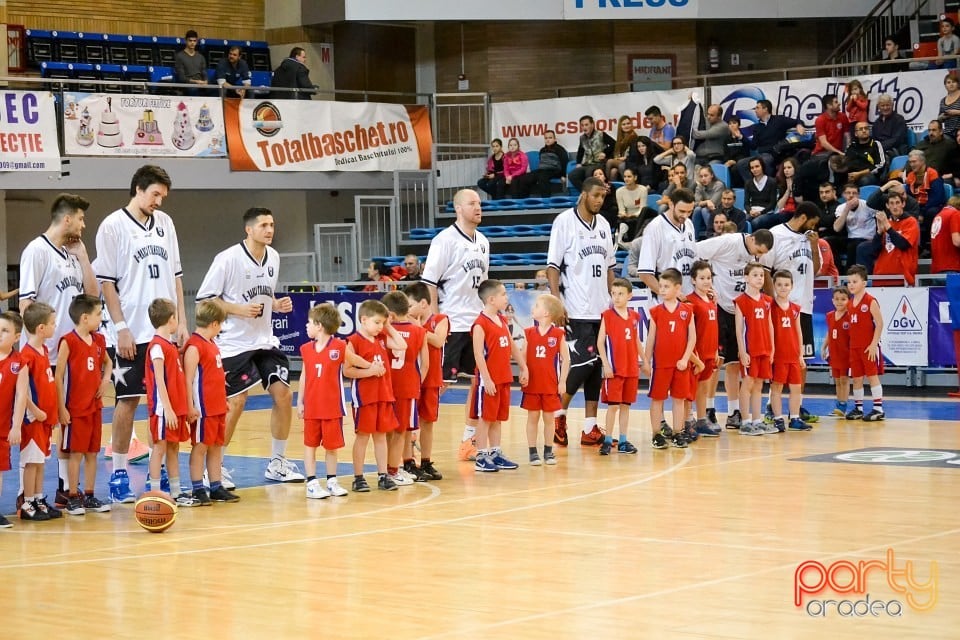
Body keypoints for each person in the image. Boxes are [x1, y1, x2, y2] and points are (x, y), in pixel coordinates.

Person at [94, 164, 186, 504]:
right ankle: (119, 471)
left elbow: (176, 275)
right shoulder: (112, 226)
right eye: (155, 194)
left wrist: (183, 322)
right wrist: (120, 329)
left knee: (164, 404)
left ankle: (159, 469)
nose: (159, 202)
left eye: (163, 196)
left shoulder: (166, 224)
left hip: (165, 331)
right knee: (127, 401)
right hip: (131, 330)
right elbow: (106, 283)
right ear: (138, 189)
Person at [195, 207, 299, 487]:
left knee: (284, 394)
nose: (269, 230)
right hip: (233, 343)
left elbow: (264, 294)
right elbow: (205, 300)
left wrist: (275, 304)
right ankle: (214, 468)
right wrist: (237, 309)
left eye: (272, 225)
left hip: (263, 340)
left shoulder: (274, 257)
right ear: (249, 229)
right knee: (237, 402)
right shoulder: (227, 259)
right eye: (264, 225)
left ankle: (277, 462)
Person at [18, 192, 104, 506]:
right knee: (36, 426)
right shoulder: (36, 251)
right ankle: (26, 496)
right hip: (43, 356)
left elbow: (92, 298)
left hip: (71, 355)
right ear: (67, 218)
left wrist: (83, 257)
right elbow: (26, 303)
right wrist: (34, 351)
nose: (83, 225)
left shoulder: (70, 255)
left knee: (64, 426)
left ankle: (65, 491)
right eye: (81, 219)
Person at [547, 177, 617, 449]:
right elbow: (553, 266)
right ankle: (558, 417)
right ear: (583, 195)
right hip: (575, 308)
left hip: (601, 309)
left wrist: (614, 302)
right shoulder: (564, 221)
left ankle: (589, 428)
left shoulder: (604, 225)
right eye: (596, 195)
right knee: (579, 368)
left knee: (595, 370)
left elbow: (610, 266)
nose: (600, 200)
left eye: (603, 196)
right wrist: (556, 302)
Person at [421, 188, 489, 460]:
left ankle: (468, 440)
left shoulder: (483, 241)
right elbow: (429, 284)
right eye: (472, 203)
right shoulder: (444, 240)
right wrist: (437, 322)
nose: (478, 207)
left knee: (478, 382)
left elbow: (483, 285)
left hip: (476, 324)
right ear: (458, 208)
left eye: (480, 203)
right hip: (452, 323)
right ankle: (413, 438)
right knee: (439, 384)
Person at [695, 229, 774, 429]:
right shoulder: (729, 242)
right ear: (752, 238)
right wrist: (708, 281)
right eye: (758, 249)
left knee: (734, 364)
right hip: (720, 307)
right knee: (715, 361)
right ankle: (709, 409)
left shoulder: (754, 257)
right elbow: (696, 251)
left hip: (740, 308)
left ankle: (733, 412)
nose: (759, 255)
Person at [760, 202, 822, 423]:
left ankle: (798, 406)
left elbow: (816, 270)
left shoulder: (808, 239)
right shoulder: (776, 235)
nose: (814, 229)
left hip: (804, 307)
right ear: (804, 217)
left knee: (802, 360)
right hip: (783, 307)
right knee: (779, 359)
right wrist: (773, 302)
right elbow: (765, 271)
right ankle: (770, 405)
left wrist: (814, 246)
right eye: (813, 223)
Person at [54, 294, 112, 516]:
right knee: (75, 453)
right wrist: (61, 408)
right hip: (75, 408)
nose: (101, 318)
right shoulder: (68, 341)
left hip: (95, 406)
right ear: (85, 317)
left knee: (92, 453)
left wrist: (106, 379)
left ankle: (89, 495)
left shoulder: (98, 341)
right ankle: (72, 496)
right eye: (99, 314)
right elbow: (58, 377)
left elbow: (107, 363)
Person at [344, 299, 405, 492]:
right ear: (363, 319)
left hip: (383, 395)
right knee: (362, 437)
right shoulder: (353, 341)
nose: (380, 327)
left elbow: (402, 345)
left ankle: (382, 475)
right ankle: (358, 477)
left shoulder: (381, 339)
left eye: (382, 323)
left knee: (380, 437)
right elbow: (347, 371)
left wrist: (388, 326)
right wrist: (369, 371)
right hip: (365, 397)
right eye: (377, 322)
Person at [183, 300, 240, 505]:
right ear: (214, 324)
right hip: (202, 408)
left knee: (216, 445)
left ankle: (216, 486)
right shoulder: (194, 346)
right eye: (221, 324)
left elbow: (214, 377)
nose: (221, 328)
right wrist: (190, 406)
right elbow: (188, 380)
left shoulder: (212, 344)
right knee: (200, 446)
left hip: (216, 406)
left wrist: (223, 399)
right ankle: (198, 487)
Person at [470, 279, 528, 472]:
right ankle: (481, 455)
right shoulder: (480, 324)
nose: (507, 297)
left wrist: (523, 366)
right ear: (492, 299)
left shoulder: (502, 320)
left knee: (497, 418)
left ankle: (495, 452)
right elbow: (478, 354)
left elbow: (512, 346)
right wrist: (486, 379)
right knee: (485, 418)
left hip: (503, 378)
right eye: (503, 294)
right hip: (488, 380)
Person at [144, 299, 196, 507]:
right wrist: (167, 408)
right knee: (160, 448)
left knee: (173, 447)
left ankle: (175, 492)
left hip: (174, 407)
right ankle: (155, 492)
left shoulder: (169, 345)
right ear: (171, 319)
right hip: (162, 408)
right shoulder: (157, 346)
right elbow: (158, 379)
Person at [295, 303, 351, 500]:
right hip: (312, 406)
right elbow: (303, 376)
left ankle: (332, 481)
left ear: (319, 325)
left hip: (332, 407)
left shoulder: (340, 346)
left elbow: (353, 362)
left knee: (331, 447)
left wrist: (371, 367)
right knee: (310, 445)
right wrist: (300, 402)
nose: (306, 326)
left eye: (309, 322)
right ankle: (311, 482)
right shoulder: (305, 349)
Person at [642, 268, 696, 449]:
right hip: (660, 364)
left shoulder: (687, 311)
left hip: (680, 364)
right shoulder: (656, 311)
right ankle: (656, 434)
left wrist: (685, 358)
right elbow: (650, 338)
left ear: (678, 288)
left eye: (666, 286)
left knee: (679, 399)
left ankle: (678, 432)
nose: (662, 290)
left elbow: (692, 338)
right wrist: (646, 361)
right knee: (657, 399)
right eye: (661, 286)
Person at [18, 302, 61, 520]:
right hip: (33, 418)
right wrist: (35, 410)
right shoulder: (26, 356)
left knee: (41, 461)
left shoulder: (43, 350)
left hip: (45, 418)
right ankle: (26, 504)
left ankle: (37, 498)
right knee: (31, 462)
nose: (56, 326)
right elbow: (22, 391)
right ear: (41, 328)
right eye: (53, 323)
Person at [380, 291, 428, 485]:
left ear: (389, 315)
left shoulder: (381, 331)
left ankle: (388, 470)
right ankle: (393, 470)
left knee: (387, 431)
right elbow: (425, 364)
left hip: (385, 385)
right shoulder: (419, 331)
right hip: (407, 386)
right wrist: (418, 383)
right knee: (401, 431)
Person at [404, 282, 448, 480]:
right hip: (410, 378)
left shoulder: (440, 319)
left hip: (431, 379)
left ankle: (426, 461)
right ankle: (407, 462)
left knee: (427, 422)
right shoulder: (406, 323)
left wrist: (418, 328)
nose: (407, 309)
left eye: (410, 304)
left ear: (423, 303)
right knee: (407, 423)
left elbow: (438, 341)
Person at [597, 278, 644, 455]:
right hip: (615, 369)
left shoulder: (634, 316)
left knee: (625, 406)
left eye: (620, 294)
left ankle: (623, 440)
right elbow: (600, 342)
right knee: (613, 406)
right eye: (614, 294)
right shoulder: (607, 316)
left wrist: (644, 360)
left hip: (631, 368)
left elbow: (636, 340)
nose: (616, 297)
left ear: (629, 296)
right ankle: (608, 440)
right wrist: (606, 364)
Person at [522, 293, 569, 465]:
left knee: (549, 420)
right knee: (532, 417)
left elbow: (566, 359)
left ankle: (548, 451)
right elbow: (522, 356)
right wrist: (523, 371)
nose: (533, 308)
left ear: (546, 313)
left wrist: (562, 381)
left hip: (550, 385)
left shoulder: (558, 334)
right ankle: (532, 451)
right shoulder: (528, 333)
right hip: (532, 384)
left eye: (537, 306)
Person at [734, 263, 774, 436]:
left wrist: (772, 349)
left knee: (759, 384)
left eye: (762, 275)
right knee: (748, 383)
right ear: (746, 277)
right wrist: (742, 351)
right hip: (750, 350)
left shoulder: (767, 301)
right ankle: (745, 421)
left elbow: (770, 325)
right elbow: (739, 330)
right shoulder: (741, 301)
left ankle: (757, 420)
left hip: (764, 349)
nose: (759, 278)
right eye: (755, 275)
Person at [769, 271, 811, 432]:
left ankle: (794, 418)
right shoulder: (771, 307)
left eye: (786, 284)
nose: (783, 288)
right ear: (774, 286)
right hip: (779, 355)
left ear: (792, 286)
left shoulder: (795, 308)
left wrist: (800, 354)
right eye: (779, 284)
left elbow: (799, 332)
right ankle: (778, 418)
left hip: (793, 355)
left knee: (795, 388)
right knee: (777, 388)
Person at [638, 187, 698, 295]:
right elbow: (644, 274)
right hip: (666, 300)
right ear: (671, 204)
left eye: (689, 211)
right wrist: (667, 295)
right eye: (682, 211)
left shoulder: (689, 224)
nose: (685, 215)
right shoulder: (654, 228)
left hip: (688, 294)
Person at [844, 265, 885, 421]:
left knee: (872, 376)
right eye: (849, 282)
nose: (851, 285)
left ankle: (878, 408)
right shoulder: (850, 304)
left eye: (855, 281)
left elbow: (880, 323)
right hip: (854, 346)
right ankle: (858, 408)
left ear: (864, 283)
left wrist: (874, 344)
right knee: (857, 378)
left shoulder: (870, 301)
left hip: (868, 346)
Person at [686, 261, 721, 437]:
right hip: (697, 354)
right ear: (693, 280)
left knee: (704, 388)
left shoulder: (712, 300)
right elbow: (689, 332)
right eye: (702, 278)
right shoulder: (690, 301)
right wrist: (693, 355)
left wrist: (715, 351)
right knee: (691, 389)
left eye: (708, 277)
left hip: (709, 352)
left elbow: (713, 328)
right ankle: (687, 420)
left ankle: (701, 420)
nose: (706, 281)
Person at [0, 311, 29, 528]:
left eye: (5, 331)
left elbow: (21, 396)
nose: (0, 334)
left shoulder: (19, 363)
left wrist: (17, 426)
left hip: (2, 428)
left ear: (17, 337)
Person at [856, 190, 920, 286]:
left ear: (903, 204)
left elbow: (903, 245)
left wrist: (888, 227)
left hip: (902, 277)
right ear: (887, 206)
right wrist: (879, 233)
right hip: (881, 276)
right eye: (891, 203)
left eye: (897, 203)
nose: (894, 206)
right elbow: (875, 250)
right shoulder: (885, 222)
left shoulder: (911, 222)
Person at [736, 99, 805, 183]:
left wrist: (799, 125)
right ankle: (753, 185)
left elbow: (797, 120)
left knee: (765, 160)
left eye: (758, 108)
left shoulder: (779, 120)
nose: (755, 111)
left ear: (765, 109)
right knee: (741, 163)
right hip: (761, 154)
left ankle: (767, 185)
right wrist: (741, 136)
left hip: (775, 153)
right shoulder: (757, 127)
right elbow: (753, 146)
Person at [833, 183, 878, 272]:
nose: (851, 195)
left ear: (858, 195)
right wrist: (847, 209)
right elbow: (836, 228)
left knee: (853, 246)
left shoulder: (867, 205)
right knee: (829, 241)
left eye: (854, 193)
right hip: (851, 238)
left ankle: (850, 274)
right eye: (848, 193)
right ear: (843, 195)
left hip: (867, 238)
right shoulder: (841, 208)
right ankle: (837, 273)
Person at [822, 286, 852, 418]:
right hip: (834, 353)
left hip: (846, 354)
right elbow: (829, 333)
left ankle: (843, 406)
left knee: (844, 380)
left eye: (843, 299)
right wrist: (823, 348)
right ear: (833, 300)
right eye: (837, 299)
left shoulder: (850, 316)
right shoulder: (829, 316)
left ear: (848, 300)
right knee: (838, 380)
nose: (840, 302)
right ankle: (838, 406)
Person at [752, 156, 802, 230]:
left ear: (795, 168)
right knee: (756, 222)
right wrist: (788, 190)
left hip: (794, 214)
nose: (786, 170)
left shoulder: (801, 184)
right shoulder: (783, 184)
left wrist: (793, 190)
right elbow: (780, 206)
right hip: (783, 213)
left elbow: (800, 202)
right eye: (784, 168)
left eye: (789, 167)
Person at [568, 115, 615, 191]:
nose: (584, 127)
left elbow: (614, 144)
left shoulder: (601, 134)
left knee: (589, 173)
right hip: (586, 164)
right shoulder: (582, 138)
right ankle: (585, 193)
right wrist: (578, 163)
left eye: (586, 125)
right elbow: (580, 151)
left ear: (592, 125)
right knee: (572, 175)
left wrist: (605, 153)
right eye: (582, 125)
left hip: (599, 163)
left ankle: (592, 194)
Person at [522, 130, 569, 197]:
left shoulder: (560, 149)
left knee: (542, 177)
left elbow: (564, 162)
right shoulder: (542, 150)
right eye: (546, 138)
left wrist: (563, 175)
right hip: (542, 170)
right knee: (526, 177)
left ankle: (546, 199)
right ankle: (524, 200)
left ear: (554, 139)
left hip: (554, 171)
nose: (548, 140)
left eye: (550, 138)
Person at [845, 122, 887, 187]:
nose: (864, 131)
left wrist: (859, 174)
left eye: (866, 128)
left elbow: (880, 165)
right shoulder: (851, 146)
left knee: (864, 180)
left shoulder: (875, 144)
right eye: (861, 129)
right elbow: (846, 164)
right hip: (852, 175)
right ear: (856, 134)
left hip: (869, 176)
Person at [615, 167, 649, 246]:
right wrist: (624, 215)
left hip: (640, 216)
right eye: (625, 177)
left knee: (645, 210)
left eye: (629, 176)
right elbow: (621, 210)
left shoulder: (643, 189)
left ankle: (633, 242)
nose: (626, 179)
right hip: (627, 217)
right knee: (620, 220)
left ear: (635, 177)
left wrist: (633, 215)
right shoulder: (619, 191)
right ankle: (619, 242)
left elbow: (642, 208)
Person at [692, 165, 725, 240]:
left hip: (719, 212)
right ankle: (694, 239)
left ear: (712, 175)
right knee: (697, 210)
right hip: (705, 212)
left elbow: (713, 204)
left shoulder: (719, 185)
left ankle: (713, 236)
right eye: (701, 176)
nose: (703, 178)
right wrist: (707, 201)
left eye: (706, 176)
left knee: (703, 210)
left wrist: (704, 203)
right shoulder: (699, 187)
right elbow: (695, 204)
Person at [931, 195, 960, 273]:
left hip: (936, 269)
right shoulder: (955, 214)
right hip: (951, 268)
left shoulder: (938, 215)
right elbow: (957, 241)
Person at [744, 156, 778, 221]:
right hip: (753, 210)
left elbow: (773, 203)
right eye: (752, 168)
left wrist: (761, 212)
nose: (754, 169)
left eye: (757, 166)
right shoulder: (748, 183)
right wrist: (750, 211)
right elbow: (746, 204)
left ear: (762, 166)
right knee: (743, 219)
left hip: (767, 212)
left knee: (756, 222)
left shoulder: (772, 181)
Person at [174, 30, 207, 95]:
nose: (192, 43)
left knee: (216, 89)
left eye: (194, 41)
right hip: (188, 85)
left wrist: (206, 81)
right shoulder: (179, 56)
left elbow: (204, 72)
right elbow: (181, 78)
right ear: (186, 41)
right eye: (190, 40)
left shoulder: (201, 57)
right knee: (193, 90)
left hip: (201, 84)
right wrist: (196, 82)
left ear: (197, 42)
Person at [606, 115, 638, 181]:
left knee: (609, 161)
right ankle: (613, 189)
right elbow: (617, 153)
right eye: (623, 124)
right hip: (621, 160)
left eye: (628, 123)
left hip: (630, 161)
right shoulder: (620, 138)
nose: (626, 126)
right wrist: (617, 157)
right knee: (613, 171)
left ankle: (606, 183)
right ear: (620, 126)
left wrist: (624, 158)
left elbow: (635, 155)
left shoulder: (634, 137)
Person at [722, 115, 751, 188]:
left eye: (734, 123)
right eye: (730, 124)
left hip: (741, 161)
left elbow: (746, 151)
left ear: (739, 125)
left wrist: (740, 137)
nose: (732, 125)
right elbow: (725, 153)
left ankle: (739, 187)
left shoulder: (743, 137)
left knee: (735, 168)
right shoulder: (726, 139)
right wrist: (727, 161)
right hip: (730, 161)